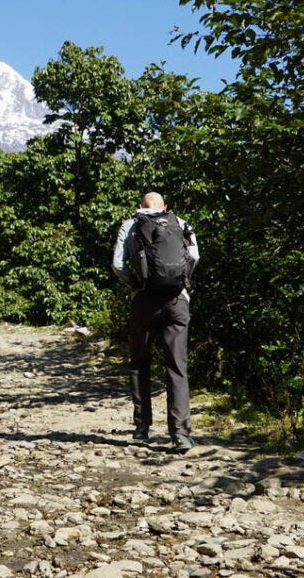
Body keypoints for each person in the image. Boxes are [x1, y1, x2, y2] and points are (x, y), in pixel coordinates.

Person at [111, 191, 199, 453]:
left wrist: (136, 286)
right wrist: (183, 284)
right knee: (177, 366)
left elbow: (117, 264)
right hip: (176, 302)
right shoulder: (180, 222)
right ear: (166, 207)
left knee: (139, 363)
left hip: (145, 302)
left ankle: (142, 427)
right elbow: (194, 257)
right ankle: (180, 433)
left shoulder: (131, 224)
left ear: (140, 206)